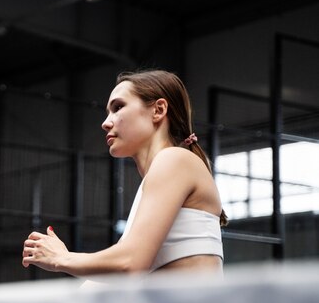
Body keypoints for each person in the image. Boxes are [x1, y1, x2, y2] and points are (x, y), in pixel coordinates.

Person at [22, 70, 227, 275]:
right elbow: (117, 272)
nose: (105, 123)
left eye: (118, 107)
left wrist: (62, 258)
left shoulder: (174, 159)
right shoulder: (161, 177)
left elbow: (130, 262)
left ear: (158, 110)